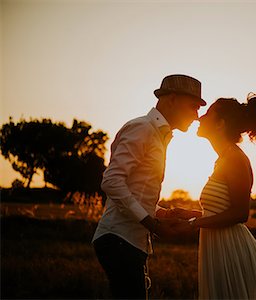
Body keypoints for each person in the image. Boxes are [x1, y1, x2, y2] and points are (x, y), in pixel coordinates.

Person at [92, 74, 206, 299]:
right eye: (193, 107)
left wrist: (164, 214)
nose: (197, 116)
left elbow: (137, 194)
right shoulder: (142, 128)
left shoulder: (159, 136)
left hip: (129, 241)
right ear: (172, 99)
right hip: (118, 239)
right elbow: (112, 182)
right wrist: (153, 225)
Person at [178, 93, 256, 299]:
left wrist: (194, 224)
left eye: (208, 113)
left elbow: (240, 213)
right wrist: (186, 214)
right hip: (218, 248)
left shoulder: (235, 159)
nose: (200, 117)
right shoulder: (224, 158)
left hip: (232, 251)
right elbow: (219, 211)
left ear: (221, 124)